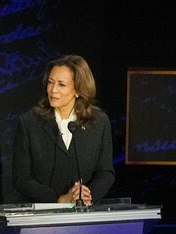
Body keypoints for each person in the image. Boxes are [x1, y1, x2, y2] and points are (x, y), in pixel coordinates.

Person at [11, 54, 114, 206]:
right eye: (50, 83)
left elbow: (105, 173)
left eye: (61, 84)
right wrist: (58, 200)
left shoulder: (99, 122)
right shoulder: (29, 123)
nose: (53, 90)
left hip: (83, 216)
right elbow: (21, 178)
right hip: (41, 217)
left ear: (78, 88)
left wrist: (87, 196)